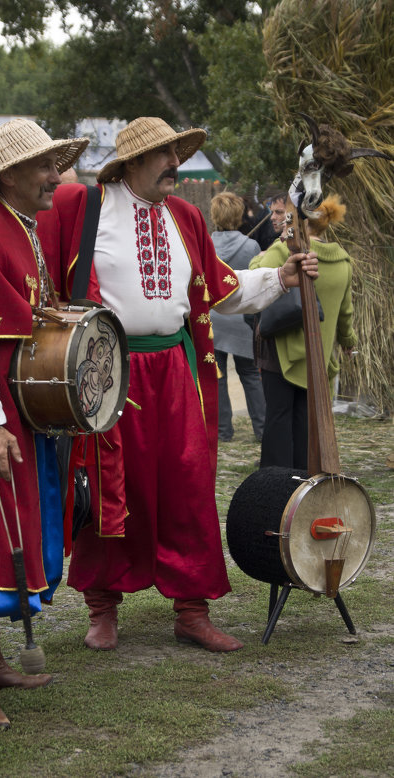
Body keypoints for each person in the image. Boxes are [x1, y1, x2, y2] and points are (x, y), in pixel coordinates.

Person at [37, 116, 318, 654]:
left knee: (188, 486)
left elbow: (219, 287)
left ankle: (192, 609)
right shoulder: (87, 209)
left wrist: (279, 278)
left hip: (177, 370)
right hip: (111, 370)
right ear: (134, 163)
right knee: (112, 486)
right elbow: (41, 269)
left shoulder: (186, 216)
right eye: (165, 155)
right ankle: (102, 607)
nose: (175, 164)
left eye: (176, 153)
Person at [0, 118, 89, 729]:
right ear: (6, 175)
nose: (54, 176)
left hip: (19, 414)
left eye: (55, 164)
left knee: (14, 533)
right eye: (41, 166)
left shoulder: (24, 227)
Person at [249, 194, 357, 470]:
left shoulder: (287, 249)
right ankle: (304, 485)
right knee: (305, 423)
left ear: (298, 220)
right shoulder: (343, 262)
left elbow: (254, 275)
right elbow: (346, 313)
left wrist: (275, 245)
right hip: (318, 356)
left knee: (278, 420)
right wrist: (348, 342)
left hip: (282, 353)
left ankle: (275, 487)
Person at [209, 191, 265, 442]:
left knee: (218, 377)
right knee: (252, 376)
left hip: (213, 319)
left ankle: (223, 431)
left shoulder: (206, 244)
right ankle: (263, 431)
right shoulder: (251, 246)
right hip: (243, 318)